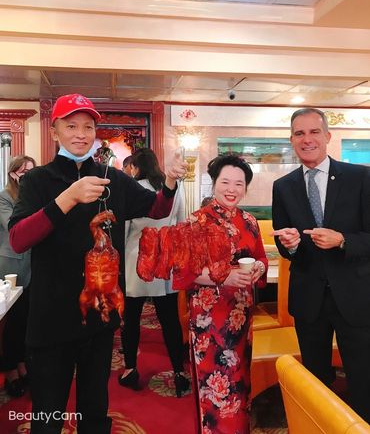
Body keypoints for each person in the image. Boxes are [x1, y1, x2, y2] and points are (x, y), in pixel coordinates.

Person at [8, 93, 187, 434]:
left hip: (99, 316)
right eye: (71, 125)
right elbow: (18, 238)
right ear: (55, 131)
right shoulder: (37, 180)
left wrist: (171, 182)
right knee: (48, 412)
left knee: (95, 407)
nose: (80, 133)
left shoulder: (112, 178)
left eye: (88, 126)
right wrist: (67, 199)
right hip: (51, 317)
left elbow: (157, 209)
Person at [272, 107, 370, 423]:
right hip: (308, 298)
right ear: (292, 140)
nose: (307, 139)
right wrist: (290, 245)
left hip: (354, 297)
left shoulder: (361, 177)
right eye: (299, 133)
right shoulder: (283, 186)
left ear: (327, 136)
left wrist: (343, 239)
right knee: (313, 379)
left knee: (362, 376)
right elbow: (283, 243)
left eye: (314, 132)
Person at [175, 155, 267, 433]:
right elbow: (182, 271)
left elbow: (260, 260)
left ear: (246, 188)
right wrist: (224, 276)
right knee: (213, 386)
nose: (232, 188)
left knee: (240, 381)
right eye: (225, 181)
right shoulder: (197, 221)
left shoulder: (249, 221)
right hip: (209, 320)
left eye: (239, 183)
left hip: (240, 316)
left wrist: (259, 268)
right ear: (213, 184)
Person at [119, 148, 189, 396]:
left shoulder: (133, 190)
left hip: (135, 257)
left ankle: (130, 369)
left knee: (132, 318)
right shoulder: (173, 188)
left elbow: (125, 228)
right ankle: (179, 372)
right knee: (169, 318)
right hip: (164, 257)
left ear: (136, 168)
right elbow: (181, 222)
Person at [0, 155, 36, 397]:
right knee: (11, 323)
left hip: (34, 265)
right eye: (25, 172)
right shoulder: (5, 196)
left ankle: (22, 364)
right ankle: (10, 369)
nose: (29, 176)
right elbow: (13, 227)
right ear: (14, 173)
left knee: (26, 320)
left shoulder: (34, 194)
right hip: (11, 266)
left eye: (33, 172)